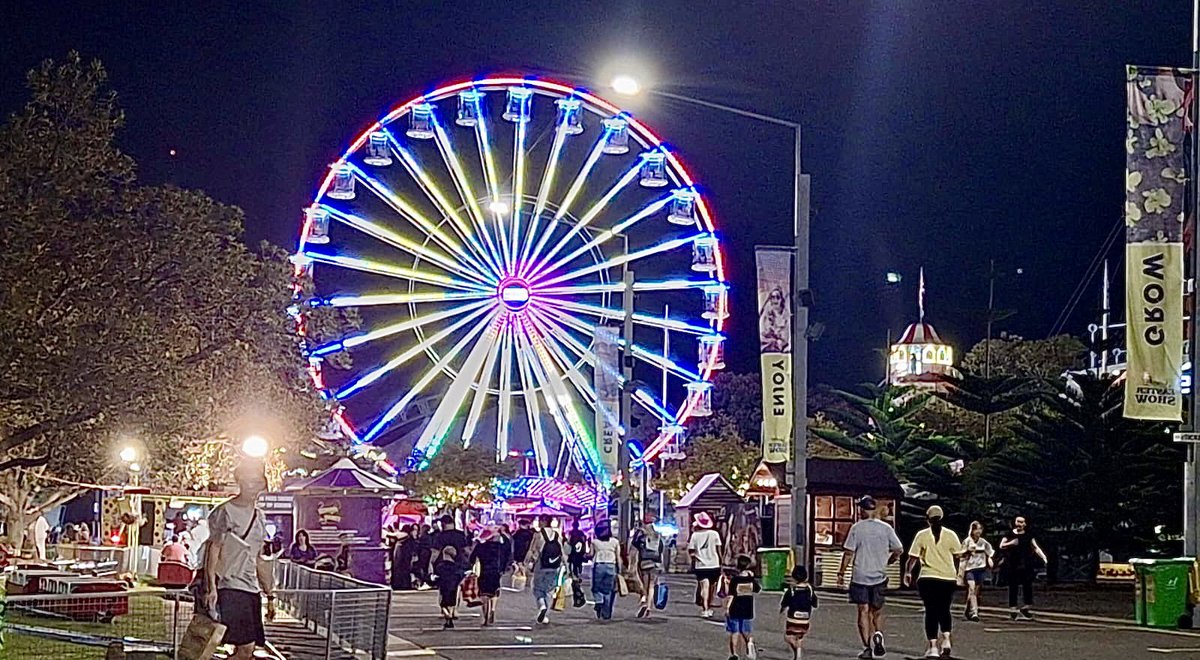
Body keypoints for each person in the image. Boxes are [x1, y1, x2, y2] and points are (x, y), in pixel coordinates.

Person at [202, 461, 275, 659]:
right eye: (250, 481)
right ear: (240, 481)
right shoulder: (225, 512)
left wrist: (270, 595)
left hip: (251, 588)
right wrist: (211, 587)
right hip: (230, 585)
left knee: (245, 649)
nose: (254, 486)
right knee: (246, 648)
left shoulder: (260, 516)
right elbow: (213, 548)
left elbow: (259, 557)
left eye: (258, 481)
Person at [837, 495, 903, 660]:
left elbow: (848, 553)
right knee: (877, 611)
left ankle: (867, 647)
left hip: (860, 575)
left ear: (862, 510)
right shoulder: (886, 528)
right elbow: (899, 549)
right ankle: (878, 634)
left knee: (863, 611)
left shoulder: (856, 528)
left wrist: (841, 573)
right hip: (879, 574)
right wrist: (890, 560)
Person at [904, 505, 962, 659]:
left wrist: (908, 572)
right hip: (947, 577)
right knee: (944, 608)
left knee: (931, 611)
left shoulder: (922, 535)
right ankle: (947, 639)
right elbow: (958, 556)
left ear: (927, 519)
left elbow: (913, 558)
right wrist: (957, 573)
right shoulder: (951, 535)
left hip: (928, 577)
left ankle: (933, 646)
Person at [999, 515, 1047, 621]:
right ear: (1015, 522)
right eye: (1018, 522)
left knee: (1028, 586)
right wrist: (1012, 543)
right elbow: (1001, 545)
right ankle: (1013, 608)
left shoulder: (1028, 535)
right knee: (1013, 587)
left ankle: (1026, 607)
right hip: (1013, 564)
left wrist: (1044, 557)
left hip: (1026, 564)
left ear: (1025, 524)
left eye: (1022, 522)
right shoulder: (1009, 534)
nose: (1020, 524)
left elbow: (1035, 547)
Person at [525, 515, 564, 624]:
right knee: (550, 590)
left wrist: (526, 563)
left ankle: (542, 605)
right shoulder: (557, 535)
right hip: (554, 566)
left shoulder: (538, 535)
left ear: (543, 521)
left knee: (537, 589)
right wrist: (567, 567)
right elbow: (562, 552)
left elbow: (531, 551)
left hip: (541, 565)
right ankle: (545, 615)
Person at [468, 526, 508, 626]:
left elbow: (472, 558)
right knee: (494, 593)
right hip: (496, 572)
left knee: (484, 595)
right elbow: (508, 549)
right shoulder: (499, 547)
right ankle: (493, 610)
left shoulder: (480, 546)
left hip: (484, 572)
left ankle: (485, 617)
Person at [724, 554, 761, 660]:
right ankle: (749, 643)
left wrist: (727, 607)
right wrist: (752, 578)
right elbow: (757, 589)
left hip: (735, 607)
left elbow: (731, 595)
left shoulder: (735, 580)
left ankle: (734, 654)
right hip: (747, 607)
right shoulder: (750, 579)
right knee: (746, 630)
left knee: (734, 631)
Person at [687, 512, 723, 618]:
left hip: (701, 565)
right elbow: (719, 550)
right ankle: (709, 607)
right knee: (711, 587)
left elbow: (691, 551)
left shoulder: (695, 535)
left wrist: (694, 559)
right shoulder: (714, 534)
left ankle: (705, 608)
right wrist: (721, 563)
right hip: (714, 563)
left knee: (704, 587)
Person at [780, 565, 818, 660]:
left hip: (793, 618)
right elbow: (815, 603)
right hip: (805, 619)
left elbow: (784, 603)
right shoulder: (809, 589)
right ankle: (798, 654)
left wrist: (782, 609)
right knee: (799, 637)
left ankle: (797, 649)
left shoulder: (791, 590)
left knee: (788, 637)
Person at [630, 513, 664, 618]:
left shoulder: (641, 534)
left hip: (644, 561)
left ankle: (644, 598)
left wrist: (631, 562)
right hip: (656, 562)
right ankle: (649, 606)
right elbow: (661, 550)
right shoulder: (657, 535)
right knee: (652, 585)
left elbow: (634, 547)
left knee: (644, 583)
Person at [960, 521, 994, 622]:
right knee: (971, 588)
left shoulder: (983, 542)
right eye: (976, 529)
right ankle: (974, 612)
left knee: (975, 592)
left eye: (980, 529)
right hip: (969, 569)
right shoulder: (967, 541)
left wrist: (989, 559)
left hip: (980, 568)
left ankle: (967, 609)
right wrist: (967, 552)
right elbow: (960, 554)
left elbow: (990, 552)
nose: (978, 531)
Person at [589, 521, 621, 620]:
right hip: (611, 566)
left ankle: (599, 601)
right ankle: (606, 614)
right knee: (608, 591)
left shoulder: (595, 542)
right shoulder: (615, 542)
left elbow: (591, 554)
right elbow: (618, 557)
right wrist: (619, 569)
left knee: (596, 588)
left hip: (599, 566)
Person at [432, 546, 465, 629]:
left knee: (443, 604)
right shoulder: (456, 567)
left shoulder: (440, 566)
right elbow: (460, 575)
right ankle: (450, 616)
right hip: (453, 587)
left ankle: (448, 616)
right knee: (451, 604)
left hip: (443, 587)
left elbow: (437, 576)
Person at [390, 526, 415, 590]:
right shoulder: (409, 540)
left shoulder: (403, 538)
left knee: (400, 570)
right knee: (403, 571)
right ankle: (403, 584)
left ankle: (399, 584)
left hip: (401, 560)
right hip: (404, 560)